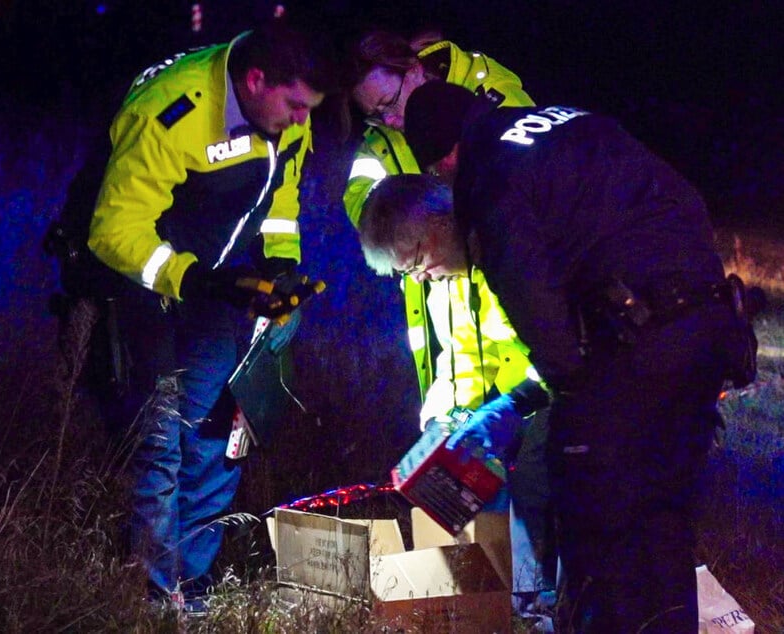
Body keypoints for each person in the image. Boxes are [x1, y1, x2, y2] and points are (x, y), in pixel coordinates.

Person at [358, 80, 753, 633]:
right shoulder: (565, 125)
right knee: (662, 527)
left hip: (642, 347)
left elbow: (558, 347)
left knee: (595, 526)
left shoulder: (491, 187)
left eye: (415, 263)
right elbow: (682, 197)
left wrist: (524, 411)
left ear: (443, 174)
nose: (422, 278)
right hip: (707, 325)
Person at [87, 21, 336, 612]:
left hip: (217, 290)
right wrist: (193, 277)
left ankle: (191, 588)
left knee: (218, 434)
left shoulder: (287, 117)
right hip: (144, 287)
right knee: (160, 444)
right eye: (297, 106)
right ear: (254, 81)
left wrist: (281, 264)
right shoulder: (171, 113)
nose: (305, 120)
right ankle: (152, 595)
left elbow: (281, 196)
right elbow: (113, 229)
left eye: (312, 109)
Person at [344, 30, 557, 606]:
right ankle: (497, 594)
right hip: (458, 325)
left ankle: (539, 601)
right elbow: (368, 209)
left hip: (521, 328)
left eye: (389, 103)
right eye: (372, 114)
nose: (387, 121)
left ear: (416, 68)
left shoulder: (490, 94)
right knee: (466, 461)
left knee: (536, 472)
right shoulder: (382, 144)